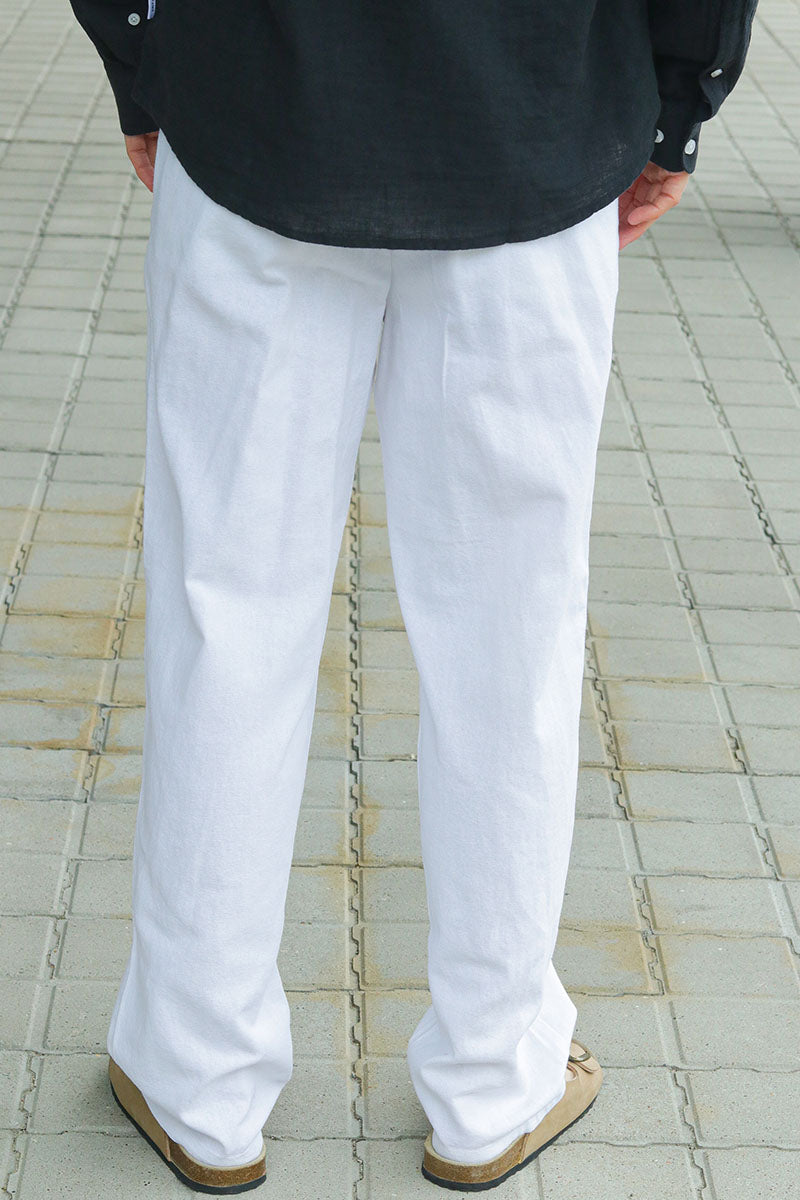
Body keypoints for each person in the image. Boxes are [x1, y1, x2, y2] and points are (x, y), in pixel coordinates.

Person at [67, 2, 758, 1193]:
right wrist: (678, 97)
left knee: (224, 616)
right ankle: (492, 1080)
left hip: (253, 109)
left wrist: (144, 62)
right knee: (510, 633)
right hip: (535, 116)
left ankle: (195, 1075)